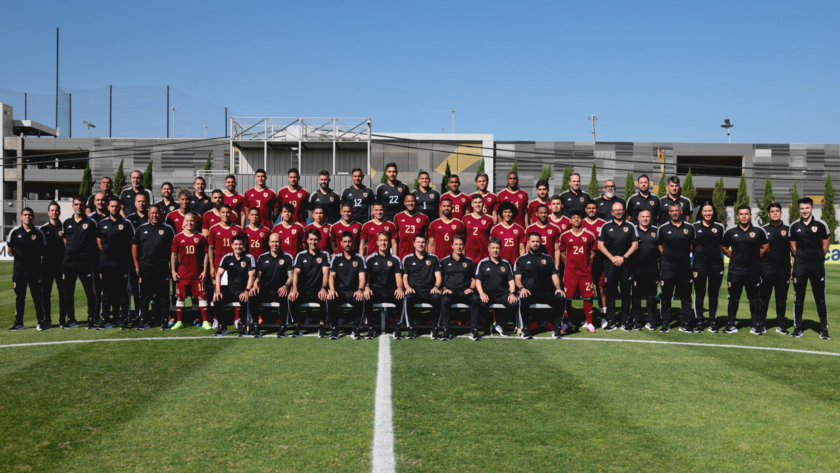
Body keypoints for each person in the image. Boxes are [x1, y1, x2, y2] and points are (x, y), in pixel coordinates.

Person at [721, 205, 769, 335]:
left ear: (750, 216)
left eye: (746, 214)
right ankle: (730, 324)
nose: (743, 216)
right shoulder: (730, 232)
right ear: (737, 216)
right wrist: (735, 257)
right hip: (735, 271)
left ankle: (756, 325)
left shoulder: (758, 231)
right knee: (733, 298)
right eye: (741, 214)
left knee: (754, 299)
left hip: (753, 271)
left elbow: (766, 248)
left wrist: (753, 258)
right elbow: (724, 248)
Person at [789, 197, 830, 339]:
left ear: (812, 208)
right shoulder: (794, 226)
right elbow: (792, 244)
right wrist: (800, 257)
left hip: (816, 265)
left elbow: (826, 243)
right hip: (800, 265)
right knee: (798, 298)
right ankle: (797, 328)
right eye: (802, 208)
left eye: (807, 208)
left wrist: (817, 257)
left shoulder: (821, 224)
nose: (804, 211)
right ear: (799, 209)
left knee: (820, 298)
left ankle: (824, 329)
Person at [515, 233, 566, 339]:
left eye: (537, 241)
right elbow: (517, 279)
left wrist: (558, 288)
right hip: (530, 291)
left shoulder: (548, 259)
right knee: (523, 297)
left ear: (541, 243)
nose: (535, 244)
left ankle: (557, 329)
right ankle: (525, 329)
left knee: (561, 297)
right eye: (533, 241)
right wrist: (522, 288)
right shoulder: (521, 259)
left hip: (546, 292)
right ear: (528, 243)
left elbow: (555, 276)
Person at [132, 205, 176, 330]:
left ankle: (163, 321)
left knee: (163, 295)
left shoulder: (167, 229)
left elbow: (174, 250)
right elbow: (134, 247)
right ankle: (143, 320)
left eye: (157, 213)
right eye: (152, 213)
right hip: (145, 267)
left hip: (162, 267)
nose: (154, 215)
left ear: (160, 214)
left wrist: (172, 267)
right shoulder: (141, 229)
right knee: (144, 296)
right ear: (148, 214)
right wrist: (137, 265)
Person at [597, 202, 639, 331]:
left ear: (624, 211)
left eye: (620, 210)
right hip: (610, 266)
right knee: (610, 294)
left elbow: (635, 245)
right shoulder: (605, 226)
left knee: (626, 294)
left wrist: (623, 258)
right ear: (612, 212)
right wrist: (612, 258)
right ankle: (611, 322)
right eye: (616, 210)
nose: (618, 212)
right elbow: (600, 245)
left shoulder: (631, 226)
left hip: (626, 266)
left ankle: (625, 322)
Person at [96, 198, 134, 330]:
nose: (115, 209)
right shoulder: (102, 224)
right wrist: (107, 254)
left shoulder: (127, 223)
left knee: (122, 293)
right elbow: (99, 241)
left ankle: (124, 319)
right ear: (108, 207)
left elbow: (132, 243)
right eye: (112, 206)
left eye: (117, 206)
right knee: (106, 293)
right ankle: (106, 319)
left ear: (120, 208)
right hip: (106, 263)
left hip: (122, 263)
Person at [657, 203, 696, 332]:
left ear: (681, 212)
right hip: (667, 266)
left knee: (685, 296)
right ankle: (665, 323)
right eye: (672, 211)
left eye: (677, 211)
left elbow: (692, 245)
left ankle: (685, 323)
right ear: (669, 212)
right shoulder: (663, 228)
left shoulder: (690, 228)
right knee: (666, 296)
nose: (674, 213)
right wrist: (668, 256)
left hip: (684, 266)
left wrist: (682, 255)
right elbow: (660, 245)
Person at [7, 208, 47, 331]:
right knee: (20, 298)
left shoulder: (39, 233)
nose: (27, 217)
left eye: (30, 215)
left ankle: (41, 322)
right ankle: (19, 323)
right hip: (19, 272)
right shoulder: (14, 232)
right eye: (25, 215)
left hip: (35, 272)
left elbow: (44, 251)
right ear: (21, 217)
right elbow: (10, 249)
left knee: (37, 298)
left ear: (33, 217)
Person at [62, 197, 99, 329]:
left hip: (85, 264)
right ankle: (71, 319)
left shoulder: (91, 222)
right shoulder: (67, 222)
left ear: (84, 207)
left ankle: (91, 318)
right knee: (68, 293)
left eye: (81, 205)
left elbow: (96, 243)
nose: (79, 207)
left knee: (90, 292)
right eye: (76, 204)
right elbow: (65, 241)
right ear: (73, 206)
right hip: (69, 264)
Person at [170, 212, 211, 330]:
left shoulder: (201, 237)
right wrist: (173, 271)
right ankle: (179, 321)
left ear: (195, 222)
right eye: (187, 221)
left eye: (191, 221)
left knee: (202, 297)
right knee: (180, 297)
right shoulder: (177, 237)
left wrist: (204, 270)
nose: (189, 223)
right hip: (182, 274)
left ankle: (204, 321)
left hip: (198, 274)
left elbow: (206, 255)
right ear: (183, 223)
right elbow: (173, 255)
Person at [559, 210, 598, 333]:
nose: (576, 220)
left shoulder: (589, 235)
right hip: (570, 273)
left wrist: (587, 264)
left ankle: (590, 323)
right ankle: (566, 322)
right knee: (567, 298)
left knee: (588, 297)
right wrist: (569, 266)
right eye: (574, 218)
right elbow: (562, 253)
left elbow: (593, 252)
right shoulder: (565, 235)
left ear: (582, 220)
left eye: (579, 217)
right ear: (570, 220)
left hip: (585, 273)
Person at [251, 233, 294, 338]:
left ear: (280, 243)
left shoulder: (287, 257)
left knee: (284, 296)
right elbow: (258, 275)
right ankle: (256, 327)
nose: (275, 244)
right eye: (273, 242)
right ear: (269, 243)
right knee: (252, 296)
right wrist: (255, 285)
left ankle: (282, 327)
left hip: (280, 289)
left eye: (277, 242)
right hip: (266, 290)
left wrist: (285, 286)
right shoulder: (262, 258)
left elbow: (291, 276)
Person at [399, 234, 442, 340]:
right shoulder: (407, 259)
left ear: (426, 243)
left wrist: (436, 287)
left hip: (429, 290)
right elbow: (404, 278)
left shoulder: (433, 258)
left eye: (423, 242)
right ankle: (410, 329)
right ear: (414, 243)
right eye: (418, 242)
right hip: (414, 290)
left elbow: (438, 277)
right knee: (408, 297)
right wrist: (408, 287)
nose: (420, 244)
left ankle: (435, 329)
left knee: (437, 297)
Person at [364, 232, 406, 339]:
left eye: (386, 240)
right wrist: (367, 288)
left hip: (390, 291)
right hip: (376, 291)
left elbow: (398, 278)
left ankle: (397, 327)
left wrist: (400, 288)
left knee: (401, 296)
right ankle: (370, 327)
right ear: (377, 242)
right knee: (366, 296)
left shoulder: (395, 259)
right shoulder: (370, 259)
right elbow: (366, 279)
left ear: (389, 243)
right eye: (381, 240)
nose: (383, 243)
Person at [212, 235, 256, 336]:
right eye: (236, 244)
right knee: (217, 299)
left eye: (240, 244)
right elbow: (218, 274)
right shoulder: (227, 257)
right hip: (230, 289)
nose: (238, 246)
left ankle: (244, 326)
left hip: (243, 289)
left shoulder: (249, 257)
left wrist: (246, 291)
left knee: (244, 299)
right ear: (232, 245)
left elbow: (252, 275)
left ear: (244, 246)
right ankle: (222, 326)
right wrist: (218, 291)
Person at [290, 229, 331, 337]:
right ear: (307, 240)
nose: (313, 242)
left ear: (319, 240)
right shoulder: (301, 255)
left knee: (325, 298)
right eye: (311, 239)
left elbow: (326, 272)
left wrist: (323, 288)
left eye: (316, 239)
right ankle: (297, 326)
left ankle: (322, 326)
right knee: (291, 298)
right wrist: (294, 289)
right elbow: (296, 273)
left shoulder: (324, 255)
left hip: (318, 290)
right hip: (304, 291)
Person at [438, 235, 479, 341]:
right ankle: (446, 331)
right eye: (456, 244)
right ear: (452, 246)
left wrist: (471, 288)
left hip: (465, 291)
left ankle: (474, 330)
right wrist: (444, 288)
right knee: (445, 299)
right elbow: (439, 278)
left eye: (461, 244)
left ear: (464, 246)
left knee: (475, 298)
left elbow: (474, 278)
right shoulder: (444, 261)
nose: (459, 247)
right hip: (450, 292)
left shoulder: (469, 261)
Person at [208, 205, 244, 323]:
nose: (225, 215)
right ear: (219, 213)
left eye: (228, 212)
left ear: (231, 214)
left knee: (237, 290)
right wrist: (212, 266)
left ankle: (238, 318)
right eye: (223, 212)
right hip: (220, 267)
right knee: (219, 292)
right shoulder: (213, 229)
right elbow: (211, 248)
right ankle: (217, 319)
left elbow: (243, 249)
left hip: (236, 266)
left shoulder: (238, 229)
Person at [328, 232, 368, 340]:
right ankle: (334, 330)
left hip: (353, 291)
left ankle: (356, 330)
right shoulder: (336, 259)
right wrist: (332, 290)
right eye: (345, 242)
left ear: (353, 243)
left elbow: (362, 277)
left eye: (350, 241)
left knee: (360, 299)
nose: (347, 244)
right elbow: (331, 276)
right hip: (339, 291)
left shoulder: (359, 258)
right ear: (341, 243)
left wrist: (360, 290)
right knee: (330, 299)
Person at [692, 202, 725, 332]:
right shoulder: (694, 227)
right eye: (705, 211)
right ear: (701, 212)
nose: (707, 213)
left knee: (713, 293)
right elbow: (690, 245)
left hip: (716, 263)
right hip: (699, 262)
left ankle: (712, 321)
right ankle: (699, 321)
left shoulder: (719, 226)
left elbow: (723, 245)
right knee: (699, 293)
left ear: (713, 211)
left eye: (710, 211)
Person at [475, 238, 517, 337]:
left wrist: (512, 294)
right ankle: (488, 325)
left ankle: (501, 324)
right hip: (487, 294)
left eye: (497, 248)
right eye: (493, 248)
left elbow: (511, 281)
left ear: (501, 249)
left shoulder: (506, 263)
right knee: (479, 303)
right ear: (488, 249)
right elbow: (478, 281)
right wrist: (481, 293)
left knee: (515, 304)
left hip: (503, 294)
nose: (495, 250)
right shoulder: (482, 263)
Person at [760, 202, 792, 335]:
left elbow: (794, 250)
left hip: (783, 269)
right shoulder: (762, 230)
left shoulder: (789, 229)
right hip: (766, 269)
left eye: (777, 211)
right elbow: (758, 250)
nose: (774, 213)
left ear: (781, 213)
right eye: (772, 211)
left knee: (781, 299)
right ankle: (761, 324)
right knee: (764, 298)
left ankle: (781, 324)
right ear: (768, 214)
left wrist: (793, 268)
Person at [632, 209, 660, 331]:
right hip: (636, 270)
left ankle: (651, 321)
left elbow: (661, 250)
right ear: (638, 218)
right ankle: (637, 321)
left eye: (647, 216)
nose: (645, 218)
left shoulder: (657, 231)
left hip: (652, 270)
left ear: (651, 218)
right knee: (636, 297)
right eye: (642, 216)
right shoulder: (633, 230)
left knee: (651, 297)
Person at [40, 202, 66, 329]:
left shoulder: (64, 227)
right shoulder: (43, 230)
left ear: (59, 212)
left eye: (56, 210)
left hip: (61, 267)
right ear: (48, 212)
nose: (54, 212)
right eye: (52, 210)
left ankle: (62, 319)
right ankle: (47, 319)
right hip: (47, 267)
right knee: (46, 294)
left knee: (63, 293)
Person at [583, 200, 608, 325]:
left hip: (600, 262)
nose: (591, 210)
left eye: (593, 208)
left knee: (601, 288)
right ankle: (588, 318)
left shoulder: (603, 224)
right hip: (584, 264)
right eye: (589, 208)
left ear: (597, 209)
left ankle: (604, 316)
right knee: (586, 291)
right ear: (585, 210)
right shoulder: (580, 223)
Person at [525, 204, 563, 269]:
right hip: (534, 263)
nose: (543, 215)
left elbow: (556, 249)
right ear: (536, 214)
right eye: (541, 213)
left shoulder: (555, 228)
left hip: (549, 263)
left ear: (548, 213)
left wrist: (557, 265)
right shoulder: (530, 228)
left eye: (545, 212)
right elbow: (527, 248)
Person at [393, 193, 430, 259]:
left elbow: (426, 239)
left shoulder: (424, 218)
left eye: (412, 201)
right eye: (408, 201)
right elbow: (395, 240)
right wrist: (395, 258)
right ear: (404, 203)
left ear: (416, 202)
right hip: (402, 255)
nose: (410, 203)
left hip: (419, 255)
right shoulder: (398, 217)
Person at [463, 194, 494, 263]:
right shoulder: (465, 218)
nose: (478, 204)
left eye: (480, 202)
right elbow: (463, 238)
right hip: (469, 255)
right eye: (475, 202)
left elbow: (492, 239)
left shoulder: (490, 219)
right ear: (472, 204)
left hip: (485, 256)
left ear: (483, 204)